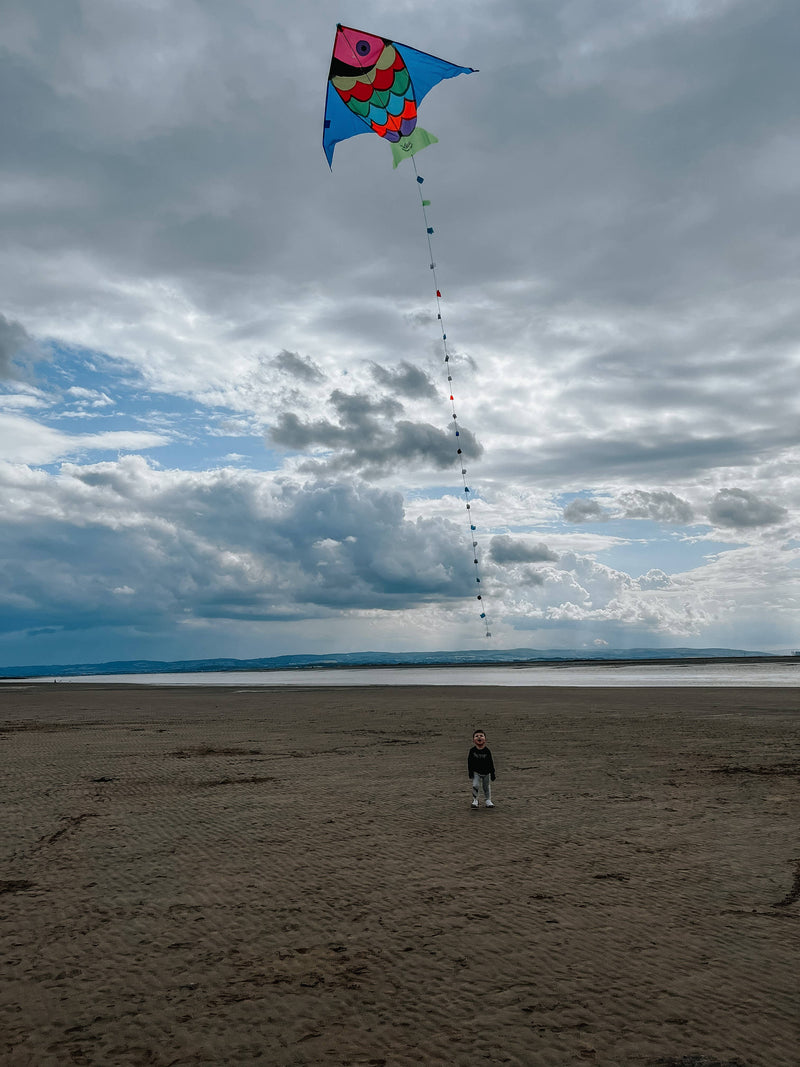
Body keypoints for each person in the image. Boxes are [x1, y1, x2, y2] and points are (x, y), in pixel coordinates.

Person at [468, 729, 496, 808]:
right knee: (475, 785)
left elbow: (491, 762)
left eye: (481, 736)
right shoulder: (472, 751)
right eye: (476, 736)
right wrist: (470, 772)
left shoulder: (487, 751)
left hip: (486, 772)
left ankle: (488, 800)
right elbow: (469, 762)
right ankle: (475, 800)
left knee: (486, 786)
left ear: (485, 739)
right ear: (473, 740)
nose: (479, 737)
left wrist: (492, 773)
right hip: (476, 772)